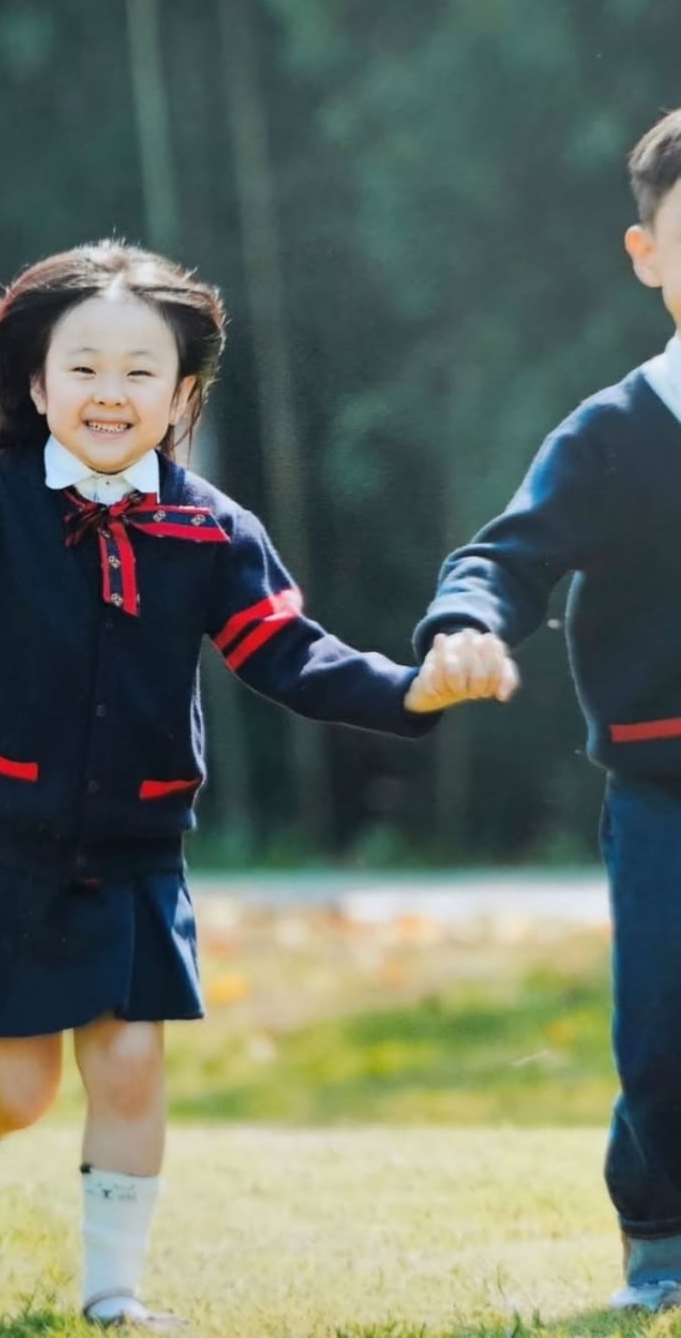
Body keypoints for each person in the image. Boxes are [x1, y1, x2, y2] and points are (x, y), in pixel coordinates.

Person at [0, 240, 508, 1329]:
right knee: (22, 1088)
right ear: (37, 385)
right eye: (83, 367)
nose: (110, 392)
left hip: (136, 853)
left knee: (132, 1065)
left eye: (140, 371)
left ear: (182, 392)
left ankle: (113, 1299)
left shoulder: (213, 530)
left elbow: (291, 654)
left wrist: (409, 691)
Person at [412, 109, 681, 1314]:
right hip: (663, 785)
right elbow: (506, 557)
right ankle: (663, 1229)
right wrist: (466, 623)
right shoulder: (618, 432)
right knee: (667, 1025)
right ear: (648, 257)